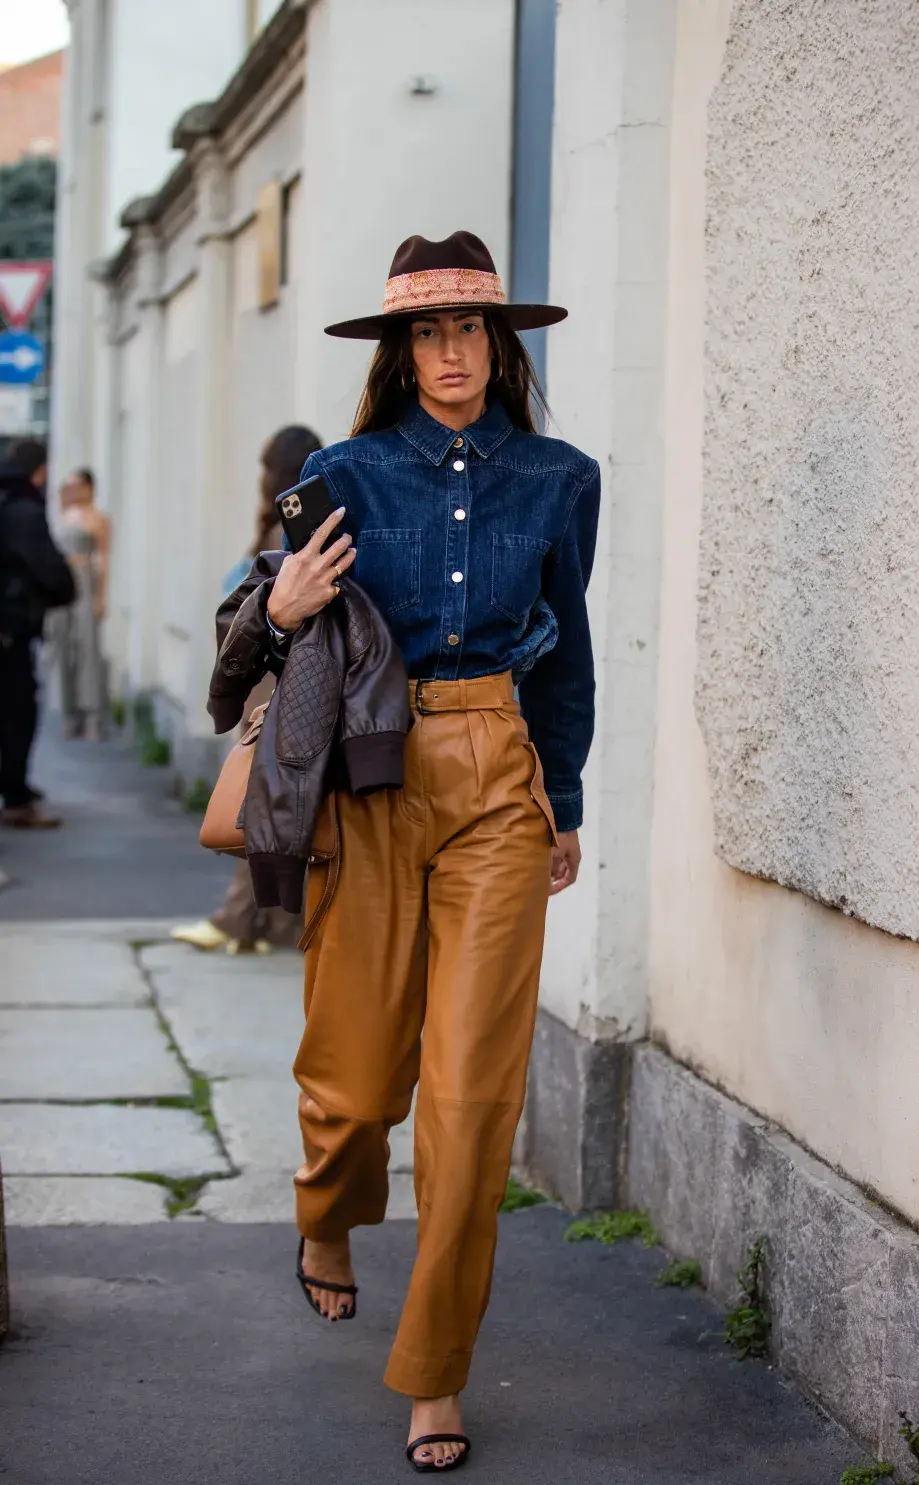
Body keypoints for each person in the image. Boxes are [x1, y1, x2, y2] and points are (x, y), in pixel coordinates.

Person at [262, 231, 600, 1473]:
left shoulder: (562, 477)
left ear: (499, 346)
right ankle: (328, 1214)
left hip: (500, 779)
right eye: (428, 333)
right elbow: (262, 609)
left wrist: (561, 797)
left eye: (470, 330)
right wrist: (285, 602)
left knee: (470, 1095)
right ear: (399, 352)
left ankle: (437, 1372)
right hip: (372, 777)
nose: (451, 354)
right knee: (354, 1081)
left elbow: (566, 656)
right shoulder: (342, 470)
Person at [172, 424, 322, 954]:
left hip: (276, 679)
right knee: (277, 803)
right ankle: (272, 925)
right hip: (268, 673)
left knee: (258, 803)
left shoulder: (294, 526)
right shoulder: (287, 523)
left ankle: (238, 921)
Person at [0, 439, 75, 828]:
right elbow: (49, 569)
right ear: (40, 472)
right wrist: (65, 588)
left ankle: (15, 790)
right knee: (18, 713)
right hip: (10, 631)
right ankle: (15, 798)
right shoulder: (25, 510)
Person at [52, 468, 111, 741]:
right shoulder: (63, 516)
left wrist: (100, 596)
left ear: (89, 487)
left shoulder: (98, 520)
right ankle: (68, 713)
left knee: (88, 649)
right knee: (63, 648)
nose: (72, 490)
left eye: (77, 485)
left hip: (85, 580)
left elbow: (104, 559)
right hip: (59, 585)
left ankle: (92, 717)